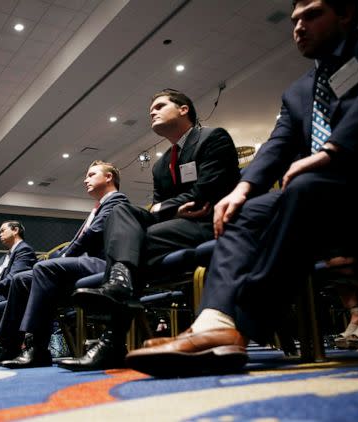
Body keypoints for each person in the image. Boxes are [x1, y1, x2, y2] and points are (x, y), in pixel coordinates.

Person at [125, 0, 358, 376]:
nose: (298, 27)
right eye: (294, 19)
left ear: (345, 13)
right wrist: (242, 188)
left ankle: (242, 325)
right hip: (320, 195)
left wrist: (333, 150)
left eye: (312, 14)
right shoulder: (298, 92)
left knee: (305, 186)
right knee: (244, 211)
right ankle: (214, 324)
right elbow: (277, 146)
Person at [60, 89, 240, 371]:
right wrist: (168, 209)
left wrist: (164, 209)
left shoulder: (212, 138)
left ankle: (113, 337)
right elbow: (161, 205)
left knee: (128, 247)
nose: (152, 112)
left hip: (210, 223)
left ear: (183, 109)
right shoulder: (159, 165)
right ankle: (120, 284)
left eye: (159, 106)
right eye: (150, 109)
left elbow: (207, 191)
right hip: (171, 229)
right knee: (121, 212)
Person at [0, 160, 129, 368]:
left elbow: (92, 235)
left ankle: (38, 347)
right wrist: (62, 255)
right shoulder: (98, 207)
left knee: (42, 268)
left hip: (103, 264)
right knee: (21, 279)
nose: (86, 180)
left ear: (109, 177)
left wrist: (63, 256)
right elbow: (80, 241)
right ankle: (10, 346)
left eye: (92, 174)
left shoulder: (117, 200)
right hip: (84, 263)